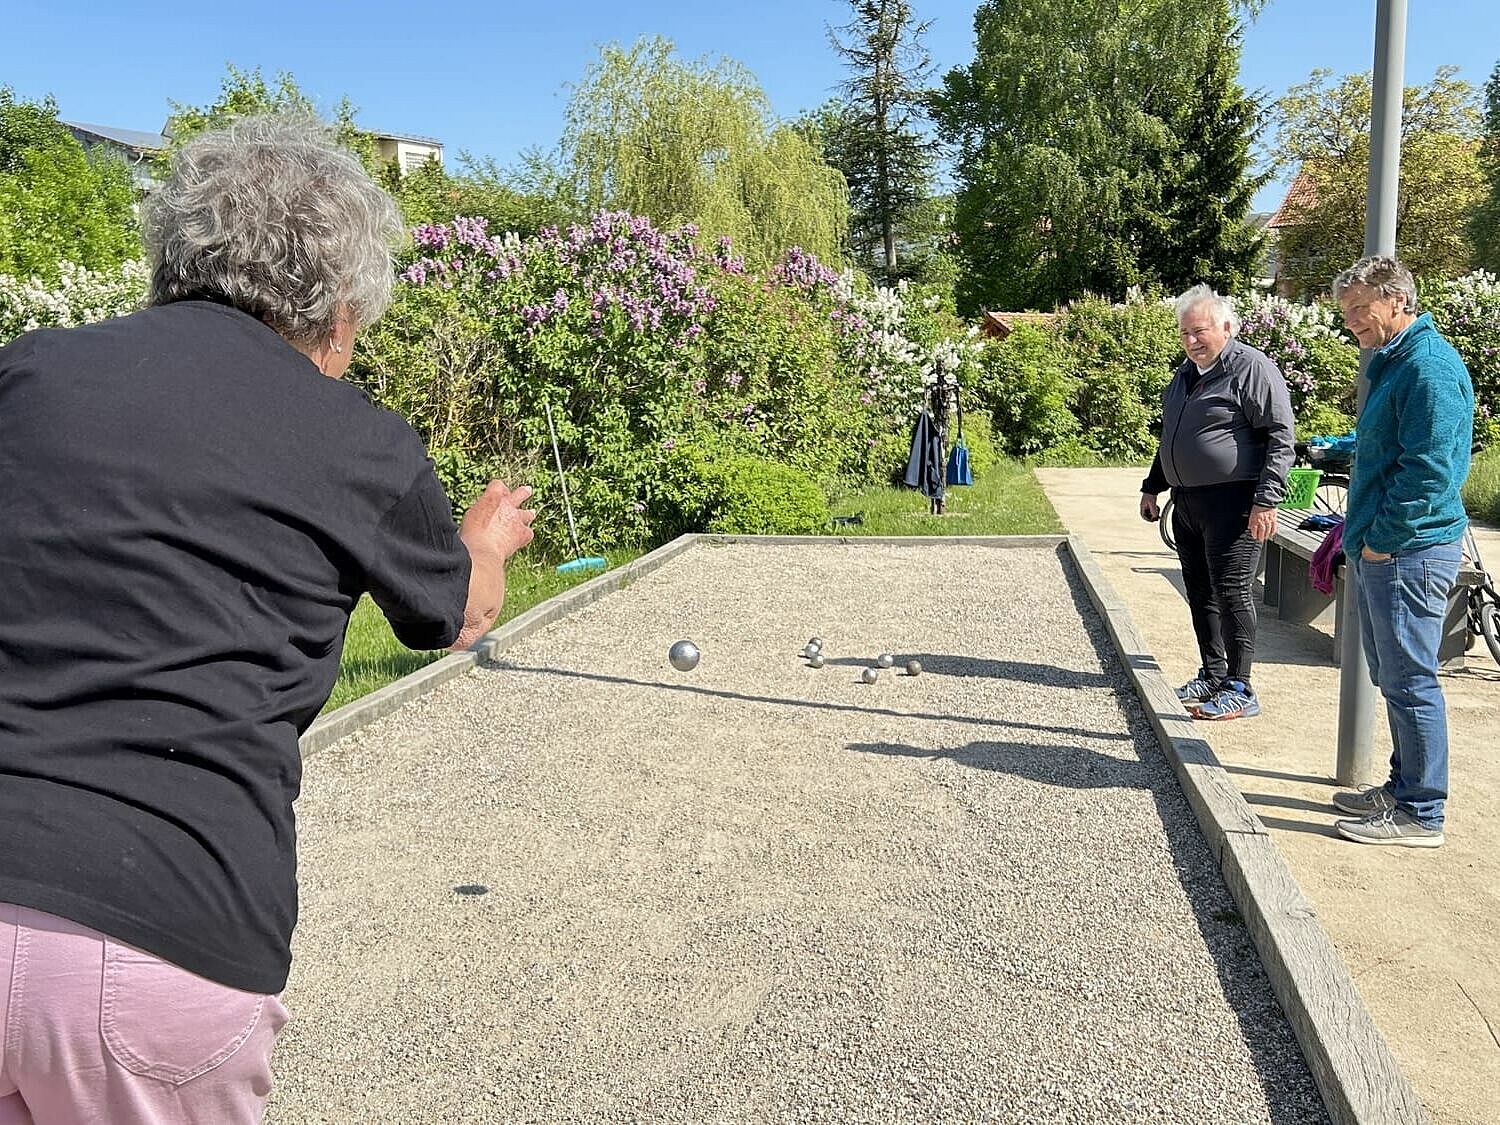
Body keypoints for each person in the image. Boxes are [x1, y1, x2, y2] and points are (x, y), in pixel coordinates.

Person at [0, 116, 535, 1123]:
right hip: (162, 921)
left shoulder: (28, 372)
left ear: (173, 265)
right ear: (339, 312)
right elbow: (459, 616)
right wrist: (489, 543)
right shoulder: (352, 437)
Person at [1330, 255, 1473, 849]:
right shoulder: (1398, 361)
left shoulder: (1428, 368)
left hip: (1409, 552)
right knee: (1394, 676)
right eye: (1346, 314)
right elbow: (1391, 449)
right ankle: (1403, 786)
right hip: (1388, 549)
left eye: (1360, 310)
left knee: (1411, 679)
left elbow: (1429, 472)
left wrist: (1383, 542)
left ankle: (1422, 812)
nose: (1352, 323)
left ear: (1396, 300)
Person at [1140, 284, 1295, 720]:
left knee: (1232, 593)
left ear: (1227, 327)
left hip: (1236, 502)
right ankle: (1212, 673)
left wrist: (1267, 500)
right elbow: (1170, 435)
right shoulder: (1186, 373)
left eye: (1200, 331)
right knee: (1200, 592)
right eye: (1185, 333)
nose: (1191, 340)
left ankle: (1242, 687)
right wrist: (1153, 486)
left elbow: (1281, 439)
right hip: (1189, 504)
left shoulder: (1251, 369)